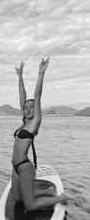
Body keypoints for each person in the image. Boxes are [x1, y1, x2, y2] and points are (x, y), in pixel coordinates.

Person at [12, 58, 67, 211]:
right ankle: (47, 191)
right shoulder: (24, 122)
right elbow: (22, 99)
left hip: (25, 166)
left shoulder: (35, 123)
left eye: (31, 107)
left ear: (36, 110)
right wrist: (20, 77)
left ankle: (60, 198)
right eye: (26, 108)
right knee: (18, 199)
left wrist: (41, 73)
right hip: (15, 166)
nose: (28, 109)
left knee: (30, 206)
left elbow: (37, 95)